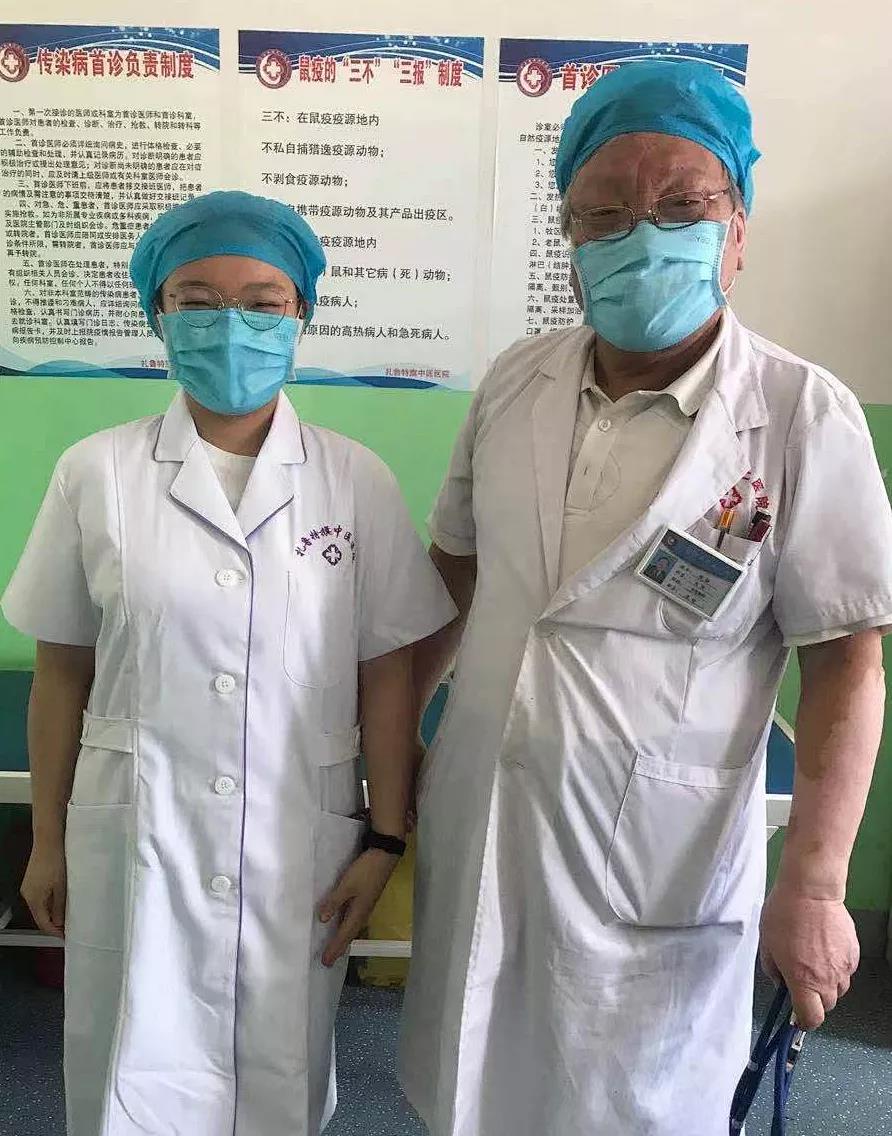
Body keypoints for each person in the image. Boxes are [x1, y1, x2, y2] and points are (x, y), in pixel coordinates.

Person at [400, 61, 892, 1135]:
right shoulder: (514, 381)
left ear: (738, 229)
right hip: (484, 816)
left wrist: (815, 882)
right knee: (469, 1095)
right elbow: (452, 577)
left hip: (656, 856)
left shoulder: (802, 415)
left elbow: (847, 658)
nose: (641, 235)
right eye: (605, 212)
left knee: (629, 1108)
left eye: (682, 205)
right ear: (570, 241)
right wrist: (388, 779)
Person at [2, 190, 456, 1136]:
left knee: (278, 1075)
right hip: (138, 830)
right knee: (128, 1061)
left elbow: (387, 677)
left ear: (302, 315)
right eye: (198, 301)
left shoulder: (355, 478)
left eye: (262, 301)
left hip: (299, 840)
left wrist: (384, 841)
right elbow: (61, 672)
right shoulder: (96, 472)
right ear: (158, 316)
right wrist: (47, 838)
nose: (231, 324)